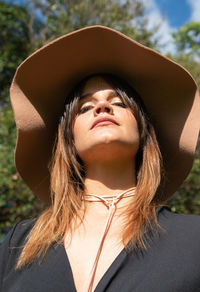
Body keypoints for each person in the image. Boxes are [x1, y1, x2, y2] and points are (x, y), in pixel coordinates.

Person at [0, 25, 200, 292]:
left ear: (144, 131)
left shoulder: (194, 239)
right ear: (67, 138)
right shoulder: (18, 244)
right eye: (84, 107)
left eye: (119, 103)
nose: (102, 106)